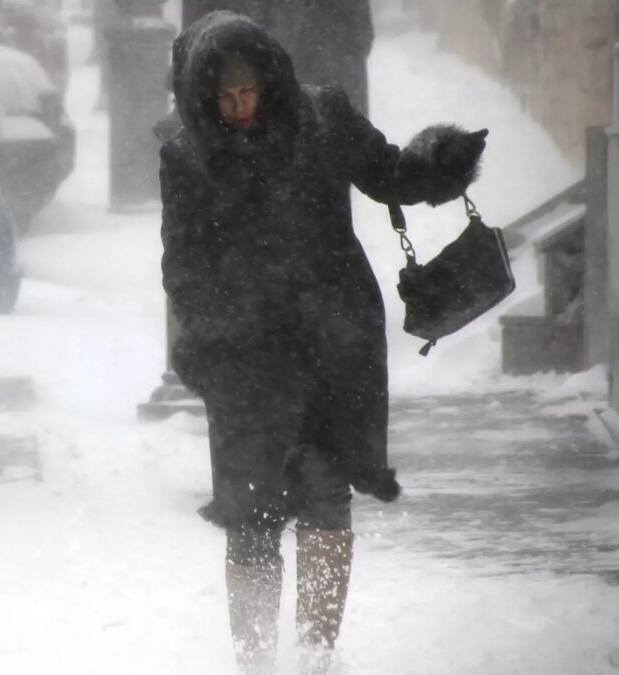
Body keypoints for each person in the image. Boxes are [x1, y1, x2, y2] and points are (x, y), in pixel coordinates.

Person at [157, 12, 487, 674]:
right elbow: (183, 264)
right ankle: (255, 662)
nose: (239, 107)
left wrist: (439, 164)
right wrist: (216, 334)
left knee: (324, 502)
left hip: (332, 348)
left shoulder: (323, 118)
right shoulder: (187, 153)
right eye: (223, 98)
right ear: (203, 96)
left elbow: (389, 173)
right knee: (250, 517)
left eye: (248, 92)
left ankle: (315, 658)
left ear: (270, 80)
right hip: (245, 361)